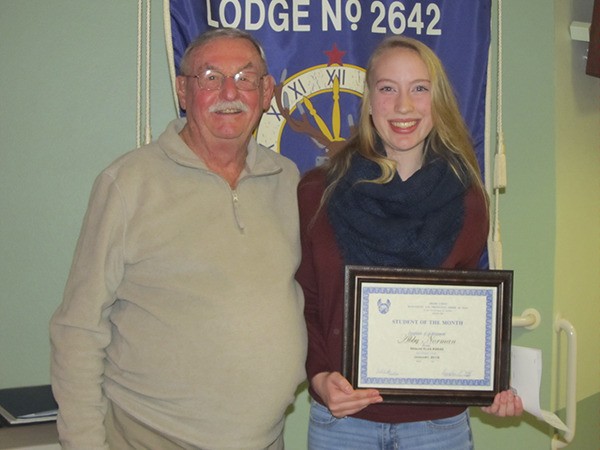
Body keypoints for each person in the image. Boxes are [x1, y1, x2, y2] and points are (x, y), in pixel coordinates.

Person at [50, 28, 307, 450]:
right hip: (150, 439)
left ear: (266, 92)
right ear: (183, 91)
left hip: (266, 439)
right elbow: (78, 327)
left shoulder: (287, 180)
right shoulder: (129, 183)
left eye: (246, 78)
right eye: (210, 76)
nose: (230, 91)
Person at [295, 35, 523, 450]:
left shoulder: (467, 198)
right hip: (343, 421)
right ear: (367, 101)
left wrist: (491, 380)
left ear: (437, 101)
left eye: (419, 88)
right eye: (388, 89)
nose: (404, 106)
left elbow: (472, 309)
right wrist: (319, 376)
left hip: (438, 426)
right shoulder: (317, 192)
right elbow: (305, 301)